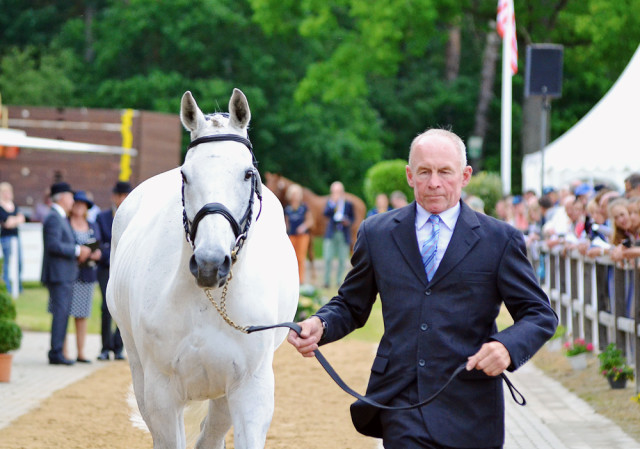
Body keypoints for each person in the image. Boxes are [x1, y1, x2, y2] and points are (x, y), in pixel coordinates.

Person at [288, 128, 557, 449]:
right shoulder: (377, 233)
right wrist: (321, 323)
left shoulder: (500, 240)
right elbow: (351, 304)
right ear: (409, 175)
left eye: (445, 172)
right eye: (424, 172)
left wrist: (507, 347)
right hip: (401, 399)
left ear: (465, 175)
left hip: (471, 402)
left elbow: (539, 314)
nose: (434, 183)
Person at [41, 182, 92, 365]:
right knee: (61, 314)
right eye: (70, 197)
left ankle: (57, 351)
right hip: (58, 275)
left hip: (64, 274)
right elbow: (53, 246)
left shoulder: (59, 217)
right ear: (62, 197)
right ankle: (56, 353)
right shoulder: (54, 217)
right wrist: (77, 251)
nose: (72, 201)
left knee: (62, 314)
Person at [95, 181, 132, 361]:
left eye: (126, 195)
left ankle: (118, 346)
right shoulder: (102, 217)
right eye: (121, 196)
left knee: (122, 306)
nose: (123, 199)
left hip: (123, 267)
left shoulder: (133, 217)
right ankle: (105, 346)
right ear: (114, 197)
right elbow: (99, 243)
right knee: (105, 307)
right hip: (105, 267)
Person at [66, 191, 102, 363]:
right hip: (69, 273)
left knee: (82, 315)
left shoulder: (92, 225)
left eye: (83, 205)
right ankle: (64, 352)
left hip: (87, 274)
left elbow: (99, 244)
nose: (80, 207)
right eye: (77, 204)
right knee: (64, 314)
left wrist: (96, 254)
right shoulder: (65, 223)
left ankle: (81, 352)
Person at [322, 181, 354, 288]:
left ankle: (339, 281)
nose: (336, 194)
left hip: (343, 234)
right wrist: (333, 203)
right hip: (331, 233)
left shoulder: (348, 204)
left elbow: (352, 218)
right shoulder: (329, 203)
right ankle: (326, 281)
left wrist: (347, 221)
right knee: (328, 258)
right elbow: (325, 213)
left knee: (342, 259)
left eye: (338, 191)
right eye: (334, 191)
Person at [284, 184, 314, 284]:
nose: (295, 196)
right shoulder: (288, 209)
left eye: (297, 194)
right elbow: (286, 223)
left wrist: (303, 227)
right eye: (293, 194)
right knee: (291, 257)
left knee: (301, 257)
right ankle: (290, 279)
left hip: (302, 236)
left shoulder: (304, 207)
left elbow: (310, 221)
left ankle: (301, 280)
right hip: (291, 235)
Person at [0, 182, 26, 295]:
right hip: (5, 238)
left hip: (16, 237)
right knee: (6, 264)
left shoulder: (14, 205)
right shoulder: (1, 207)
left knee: (19, 262)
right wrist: (15, 220)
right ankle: (7, 288)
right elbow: (7, 223)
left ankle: (18, 286)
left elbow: (22, 218)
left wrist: (13, 220)